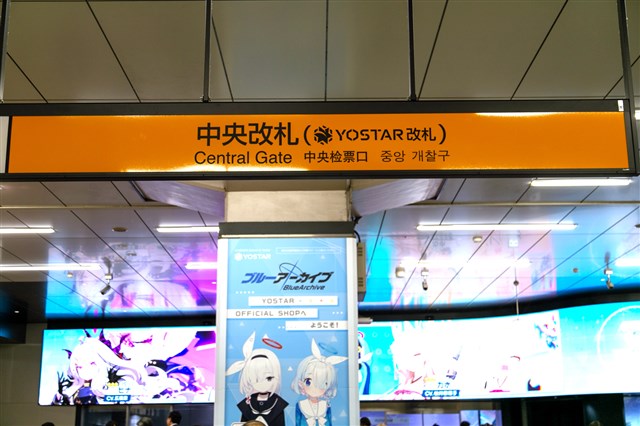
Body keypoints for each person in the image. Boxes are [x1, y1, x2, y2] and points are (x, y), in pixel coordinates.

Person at [226, 332, 288, 426]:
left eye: (268, 378)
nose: (262, 384)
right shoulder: (247, 404)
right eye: (255, 379)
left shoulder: (277, 404)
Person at [291, 338, 347, 426]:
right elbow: (298, 423)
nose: (315, 388)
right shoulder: (300, 405)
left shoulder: (326, 405)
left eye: (323, 383)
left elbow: (329, 423)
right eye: (308, 382)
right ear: (301, 383)